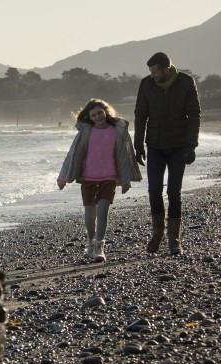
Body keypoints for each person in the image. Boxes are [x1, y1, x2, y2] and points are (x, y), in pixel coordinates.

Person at [57, 98, 141, 262]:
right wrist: (62, 178)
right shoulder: (86, 132)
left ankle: (99, 246)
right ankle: (90, 242)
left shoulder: (116, 130)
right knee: (90, 215)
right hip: (88, 178)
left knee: (103, 212)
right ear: (89, 117)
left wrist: (125, 180)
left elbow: (123, 156)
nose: (97, 117)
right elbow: (72, 155)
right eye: (94, 115)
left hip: (108, 178)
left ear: (106, 111)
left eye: (100, 113)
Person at [134, 52, 201, 255]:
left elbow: (194, 114)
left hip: (179, 145)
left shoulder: (186, 82)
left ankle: (174, 239)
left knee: (174, 192)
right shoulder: (146, 84)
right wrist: (138, 146)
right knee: (154, 190)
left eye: (155, 71)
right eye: (150, 72)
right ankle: (158, 233)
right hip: (154, 145)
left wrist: (192, 145)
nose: (152, 75)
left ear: (166, 68)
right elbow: (140, 115)